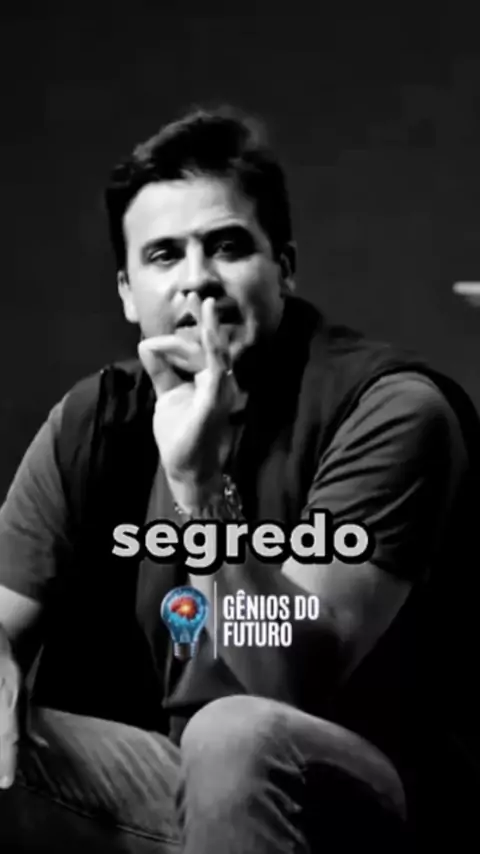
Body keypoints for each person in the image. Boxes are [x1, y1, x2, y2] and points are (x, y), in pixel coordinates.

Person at [0, 107, 478, 853]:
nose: (197, 280)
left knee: (231, 734)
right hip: (184, 790)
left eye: (226, 247)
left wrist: (199, 489)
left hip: (366, 801)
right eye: (164, 256)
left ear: (283, 267)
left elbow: (289, 683)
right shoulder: (95, 420)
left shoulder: (388, 410)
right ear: (127, 292)